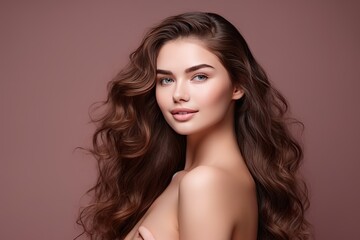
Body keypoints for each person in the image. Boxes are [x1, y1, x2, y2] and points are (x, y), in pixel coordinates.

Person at [76, 12, 310, 240]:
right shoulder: (188, 178)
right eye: (166, 80)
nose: (178, 94)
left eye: (199, 77)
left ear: (237, 86)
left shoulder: (204, 183)